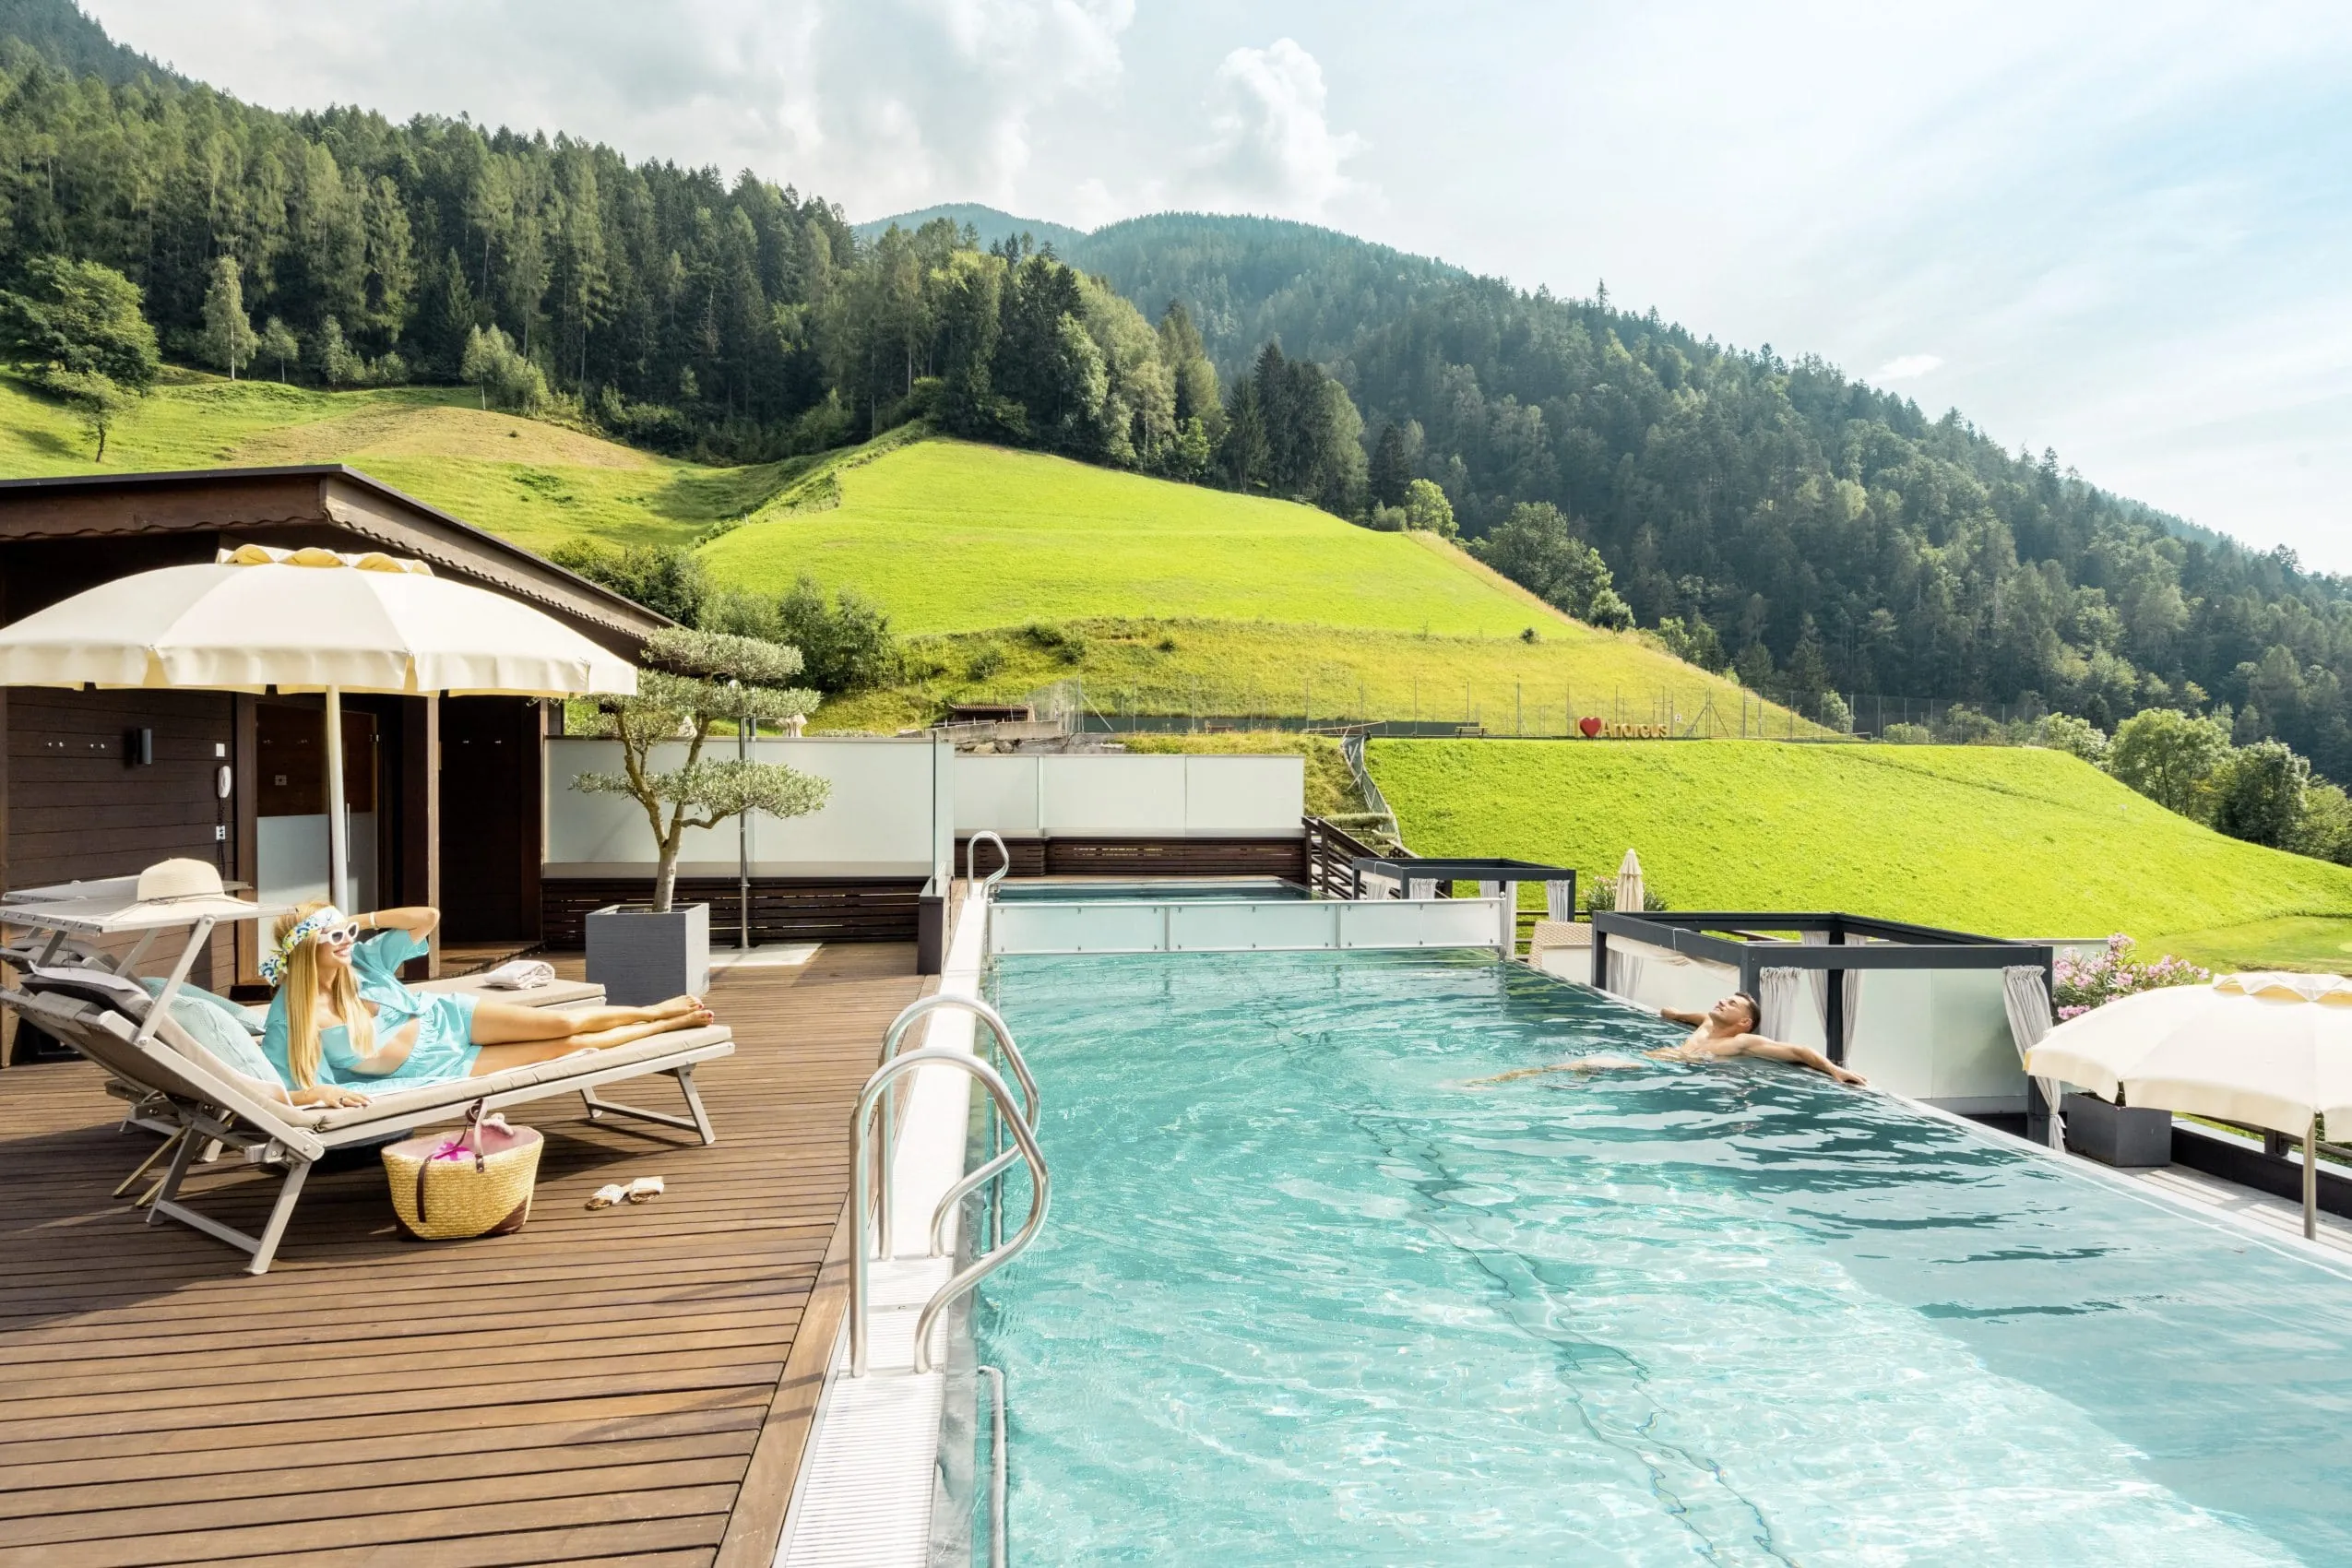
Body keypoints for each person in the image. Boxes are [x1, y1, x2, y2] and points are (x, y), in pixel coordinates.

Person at [259, 901, 713, 1105]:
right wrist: (321, 1092)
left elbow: (427, 918)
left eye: (349, 934)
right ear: (304, 949)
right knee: (573, 1047)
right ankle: (664, 1028)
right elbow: (286, 1089)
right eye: (335, 936)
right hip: (439, 1066)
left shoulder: (360, 961)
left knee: (562, 1024)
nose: (347, 942)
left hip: (450, 1019)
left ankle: (653, 1010)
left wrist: (353, 920)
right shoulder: (292, 1019)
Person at [1471, 992, 1868, 1087]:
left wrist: (1836, 1071)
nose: (1721, 1002)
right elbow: (1696, 1016)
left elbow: (1799, 1051)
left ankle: (1497, 1081)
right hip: (1651, 1059)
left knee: (1578, 1064)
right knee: (1582, 1067)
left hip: (1661, 1068)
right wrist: (1674, 1015)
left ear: (1745, 1023)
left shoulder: (1740, 1044)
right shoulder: (1707, 1028)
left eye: (1730, 1003)